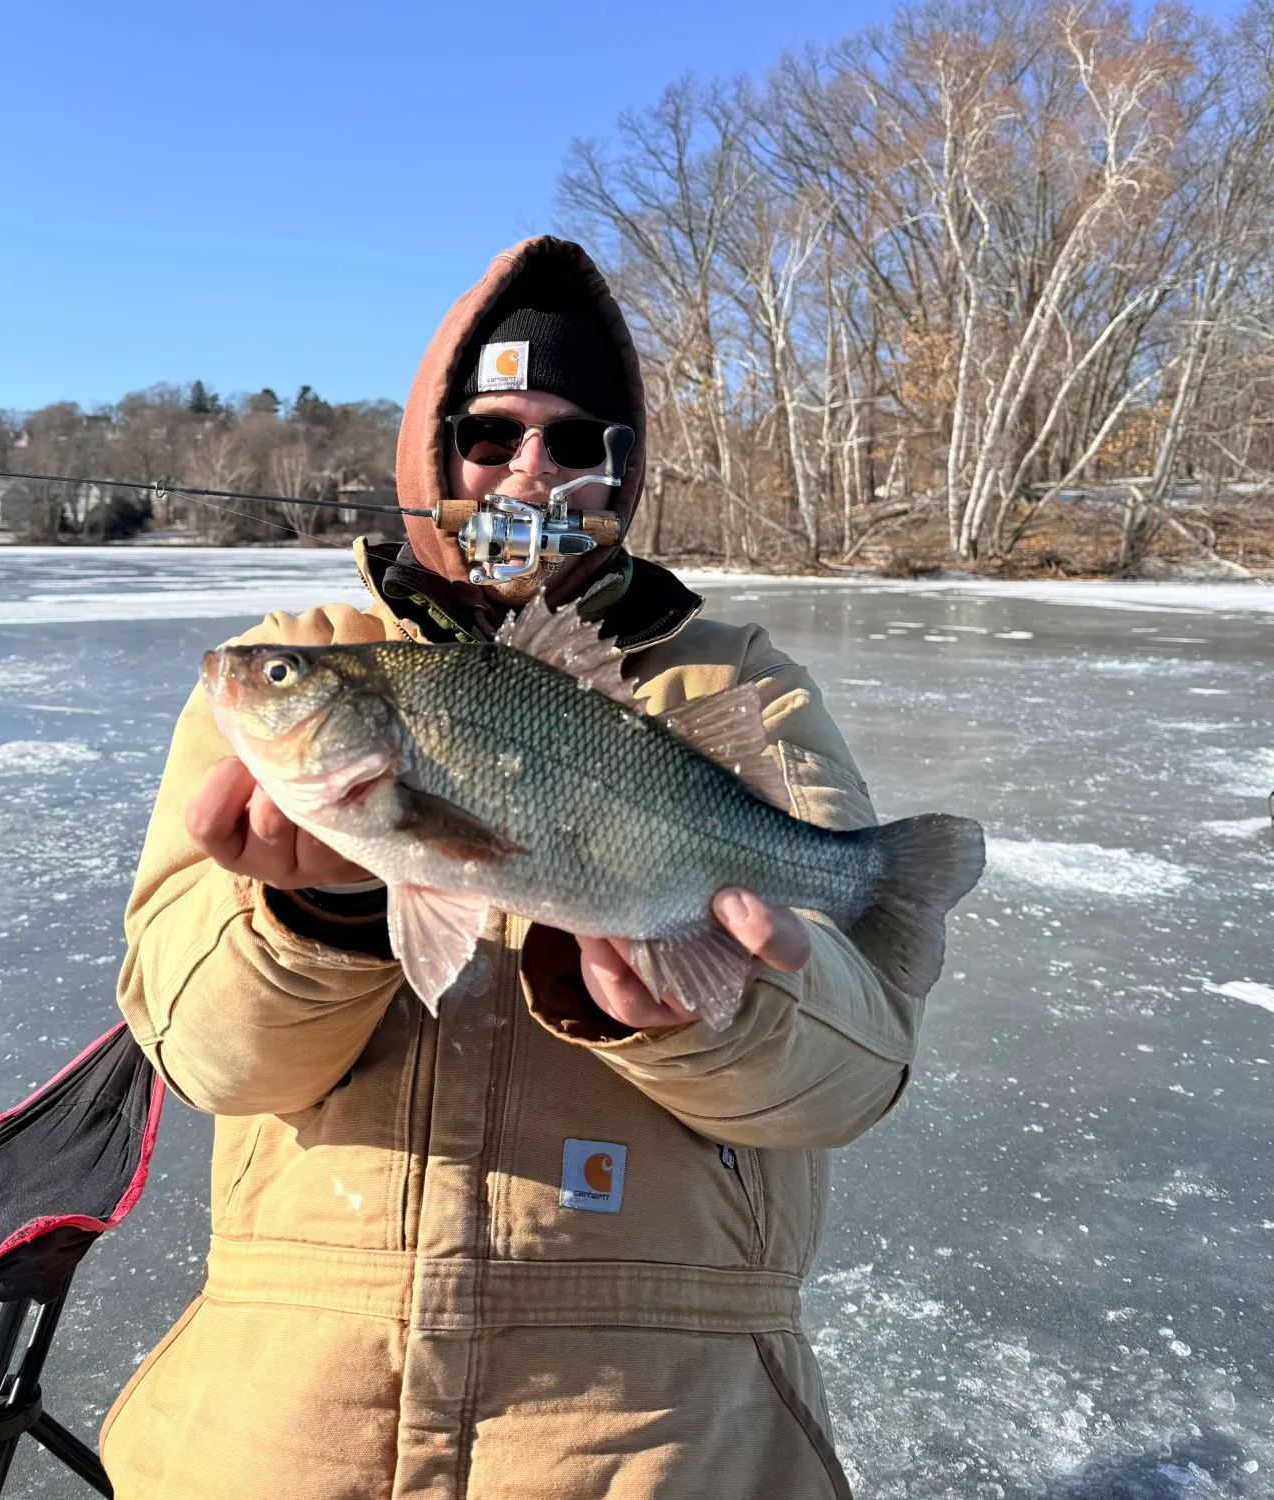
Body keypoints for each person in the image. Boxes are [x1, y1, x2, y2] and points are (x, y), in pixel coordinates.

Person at [104, 236, 933, 1500]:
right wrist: (319, 914)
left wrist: (714, 1015)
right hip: (289, 1418)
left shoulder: (735, 686)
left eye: (575, 439)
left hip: (656, 1439)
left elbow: (851, 1079)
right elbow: (209, 1059)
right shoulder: (302, 655)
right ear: (430, 462)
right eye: (489, 437)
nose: (529, 467)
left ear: (622, 473)